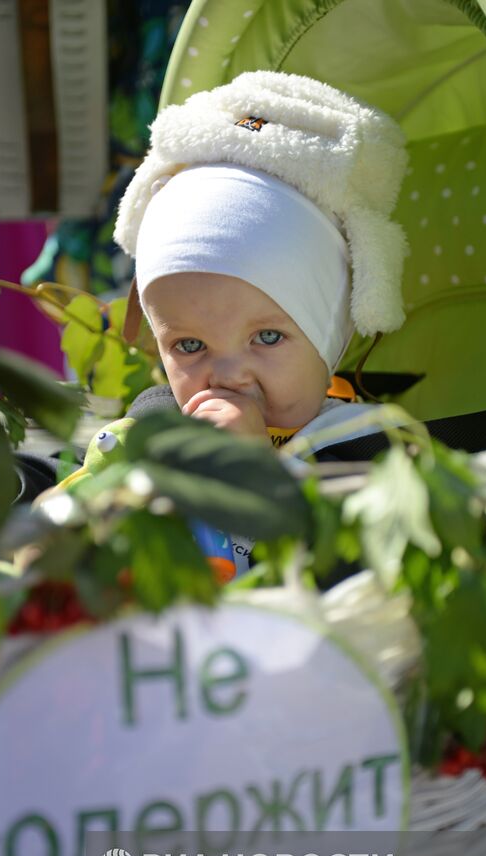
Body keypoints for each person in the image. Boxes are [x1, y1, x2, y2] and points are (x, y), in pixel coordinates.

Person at [45, 71, 410, 572]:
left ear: (328, 339)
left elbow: (366, 579)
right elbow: (56, 534)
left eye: (266, 337)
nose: (229, 375)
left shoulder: (364, 451)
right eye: (190, 346)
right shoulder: (148, 433)